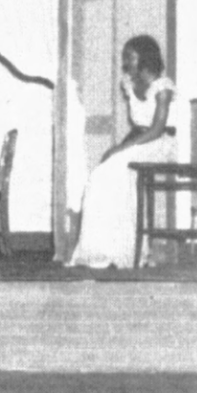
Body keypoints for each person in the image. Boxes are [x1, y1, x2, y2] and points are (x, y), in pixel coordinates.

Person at [65, 34, 177, 269]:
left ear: (145, 58)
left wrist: (121, 148)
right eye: (125, 58)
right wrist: (117, 150)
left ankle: (118, 250)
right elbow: (137, 129)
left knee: (107, 172)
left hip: (159, 144)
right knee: (102, 176)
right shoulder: (129, 83)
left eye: (131, 58)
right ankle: (109, 249)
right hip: (139, 142)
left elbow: (156, 130)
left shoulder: (162, 86)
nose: (126, 63)